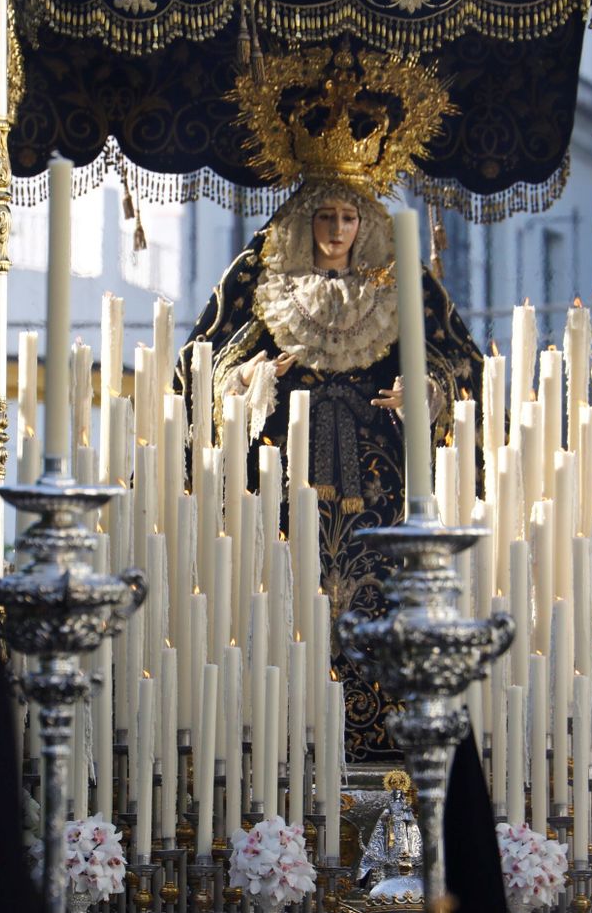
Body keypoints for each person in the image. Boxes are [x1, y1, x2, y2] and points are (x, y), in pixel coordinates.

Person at [178, 171, 484, 761]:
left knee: (383, 589)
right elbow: (208, 365)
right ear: (305, 220)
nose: (338, 230)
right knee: (289, 586)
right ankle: (284, 723)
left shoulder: (403, 284)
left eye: (349, 217)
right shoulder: (260, 280)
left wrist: (426, 391)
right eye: (326, 216)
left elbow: (459, 364)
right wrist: (251, 378)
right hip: (286, 480)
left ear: (364, 223)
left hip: (382, 485)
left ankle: (389, 727)